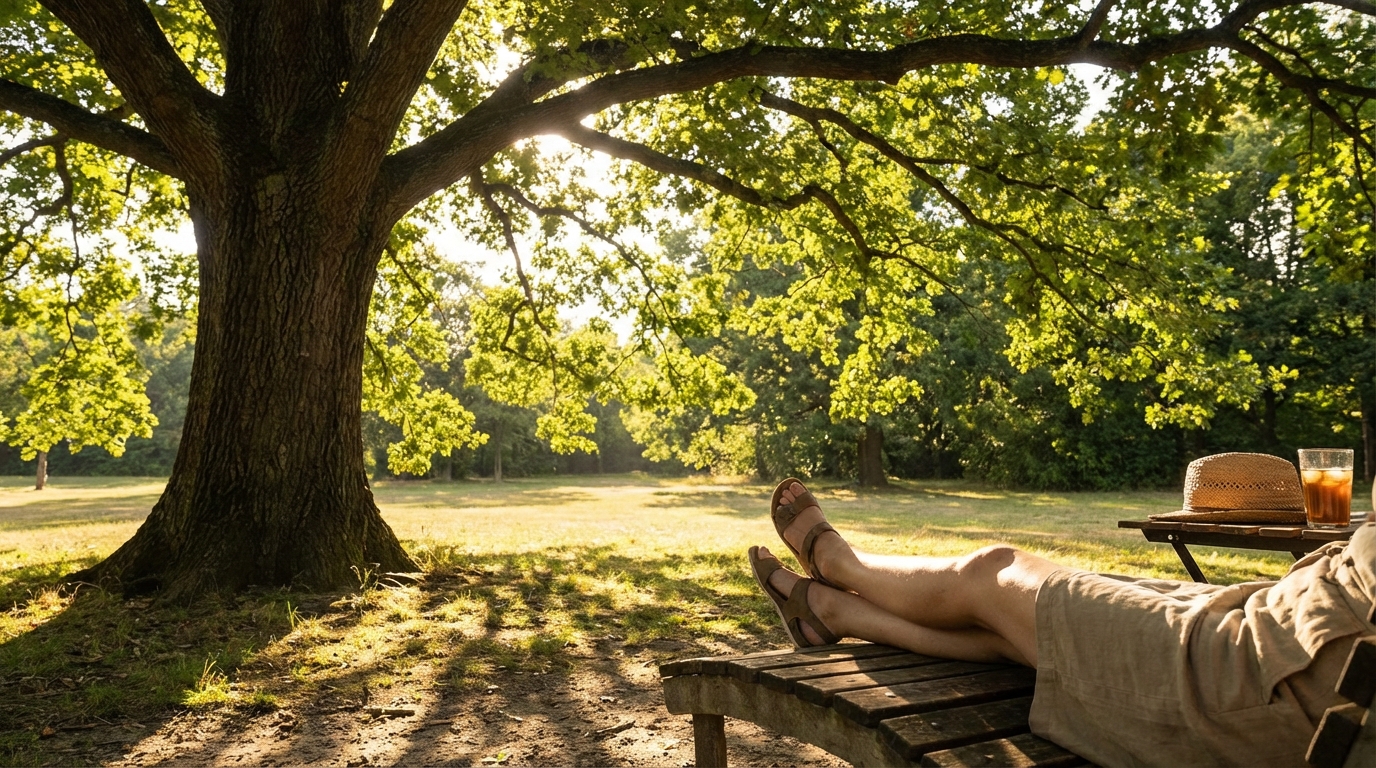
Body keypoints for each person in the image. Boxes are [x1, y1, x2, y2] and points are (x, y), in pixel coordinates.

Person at [751, 480, 1376, 768]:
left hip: (1281, 669)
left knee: (996, 574)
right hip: (1296, 623)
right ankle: (834, 611)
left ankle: (838, 564)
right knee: (1017, 630)